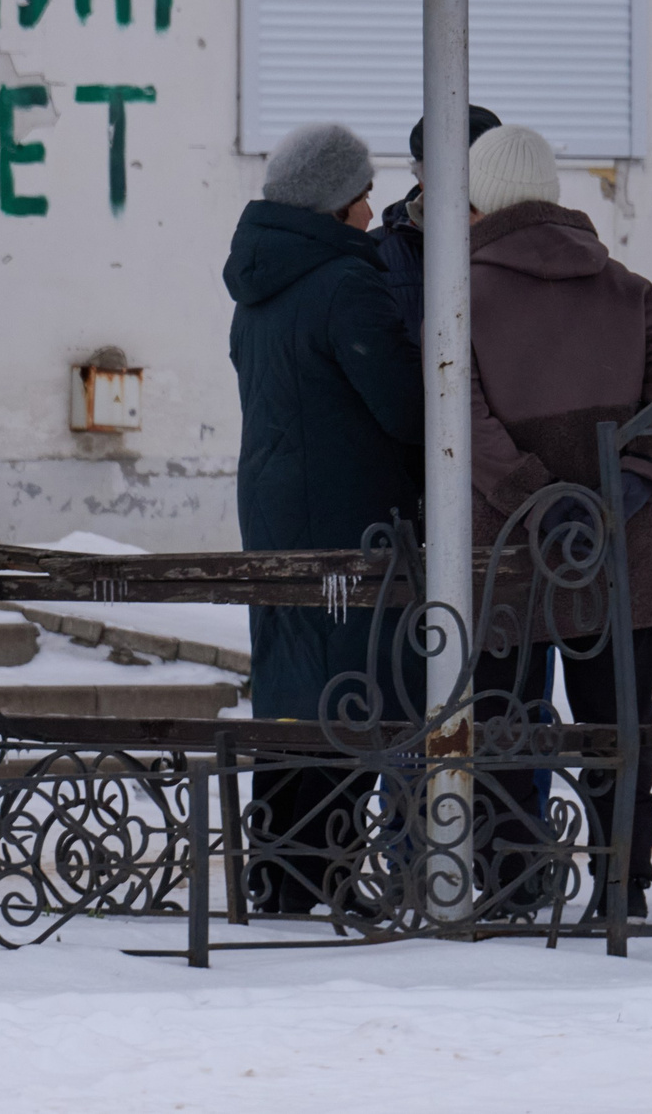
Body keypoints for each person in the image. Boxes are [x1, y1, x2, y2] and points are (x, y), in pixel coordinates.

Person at [460, 124, 652, 921]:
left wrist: (536, 494)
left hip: (508, 545)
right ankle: (622, 882)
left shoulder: (459, 294)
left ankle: (507, 876)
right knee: (618, 721)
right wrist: (628, 484)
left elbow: (458, 413)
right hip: (620, 546)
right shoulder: (626, 286)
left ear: (480, 195)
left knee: (502, 718)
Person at [223, 123, 425, 913]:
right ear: (335, 203)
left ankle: (280, 876)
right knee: (355, 693)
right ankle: (326, 875)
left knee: (291, 696)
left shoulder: (258, 287)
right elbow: (405, 409)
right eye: (364, 194)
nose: (375, 209)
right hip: (351, 521)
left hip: (276, 517)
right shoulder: (346, 283)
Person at [372, 103, 501, 331]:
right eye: (451, 172)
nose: (465, 187)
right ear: (422, 177)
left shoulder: (532, 247)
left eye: (480, 173)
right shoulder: (376, 256)